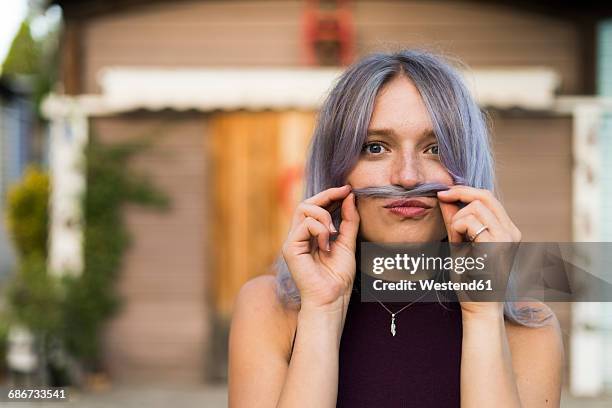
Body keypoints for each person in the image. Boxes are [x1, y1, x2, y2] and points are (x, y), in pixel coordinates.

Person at [228, 49, 564, 407]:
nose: (407, 177)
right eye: (375, 148)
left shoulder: (531, 326)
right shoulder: (269, 308)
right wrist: (323, 310)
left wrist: (482, 312)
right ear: (336, 169)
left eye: (435, 148)